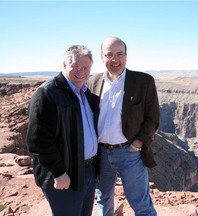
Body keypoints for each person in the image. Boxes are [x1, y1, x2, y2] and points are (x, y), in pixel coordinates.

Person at [88, 36, 160, 216]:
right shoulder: (93, 82)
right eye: (109, 54)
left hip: (129, 152)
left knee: (141, 204)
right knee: (103, 200)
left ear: (126, 56)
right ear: (102, 57)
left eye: (120, 54)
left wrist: (138, 144)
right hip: (101, 153)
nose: (115, 59)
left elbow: (153, 118)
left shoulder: (143, 82)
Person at [27, 45, 99, 216]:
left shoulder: (85, 93)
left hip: (88, 171)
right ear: (64, 65)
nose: (81, 71)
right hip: (64, 174)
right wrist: (59, 173)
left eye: (86, 67)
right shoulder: (47, 93)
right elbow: (38, 140)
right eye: (76, 66)